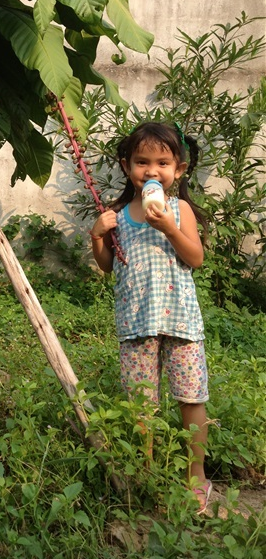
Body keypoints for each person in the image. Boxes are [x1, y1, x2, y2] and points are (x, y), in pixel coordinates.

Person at [89, 121, 212, 513]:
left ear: (178, 169)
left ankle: (196, 476)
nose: (152, 171)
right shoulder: (119, 215)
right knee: (141, 404)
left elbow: (195, 258)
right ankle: (145, 471)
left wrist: (171, 228)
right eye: (142, 162)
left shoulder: (180, 209)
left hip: (181, 323)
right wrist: (97, 235)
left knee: (191, 398)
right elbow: (107, 265)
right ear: (127, 167)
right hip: (136, 323)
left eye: (162, 162)